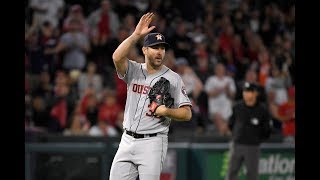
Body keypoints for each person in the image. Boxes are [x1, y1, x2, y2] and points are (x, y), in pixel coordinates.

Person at [109, 12, 192, 180]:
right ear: (145, 50)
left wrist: (166, 111)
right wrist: (135, 36)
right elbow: (117, 57)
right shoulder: (133, 70)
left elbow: (187, 113)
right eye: (155, 47)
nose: (160, 52)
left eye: (162, 48)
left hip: (153, 142)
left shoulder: (173, 78)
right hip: (127, 139)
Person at [226, 82, 272, 180]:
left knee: (252, 175)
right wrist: (236, 136)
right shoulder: (237, 107)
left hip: (253, 146)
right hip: (237, 144)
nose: (246, 94)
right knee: (231, 173)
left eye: (249, 91)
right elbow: (231, 124)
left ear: (256, 93)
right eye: (245, 91)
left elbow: (267, 130)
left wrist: (256, 140)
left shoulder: (262, 109)